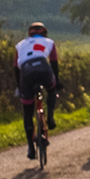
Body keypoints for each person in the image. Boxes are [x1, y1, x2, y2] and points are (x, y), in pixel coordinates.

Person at [14, 22, 60, 160]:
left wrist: (19, 85)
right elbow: (54, 63)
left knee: (27, 112)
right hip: (43, 68)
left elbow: (16, 69)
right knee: (52, 89)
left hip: (26, 73)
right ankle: (50, 117)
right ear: (44, 32)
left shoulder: (20, 45)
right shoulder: (49, 42)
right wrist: (57, 81)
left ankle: (30, 148)